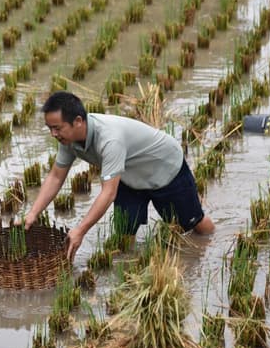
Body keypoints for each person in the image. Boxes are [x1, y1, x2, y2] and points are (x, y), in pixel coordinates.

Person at [23, 91, 214, 260]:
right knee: (124, 231)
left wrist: (80, 230)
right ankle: (127, 264)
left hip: (164, 169)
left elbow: (108, 193)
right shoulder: (68, 140)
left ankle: (212, 251)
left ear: (78, 121)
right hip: (128, 174)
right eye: (50, 128)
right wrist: (33, 213)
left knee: (194, 223)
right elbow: (56, 176)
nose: (53, 134)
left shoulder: (110, 139)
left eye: (57, 128)